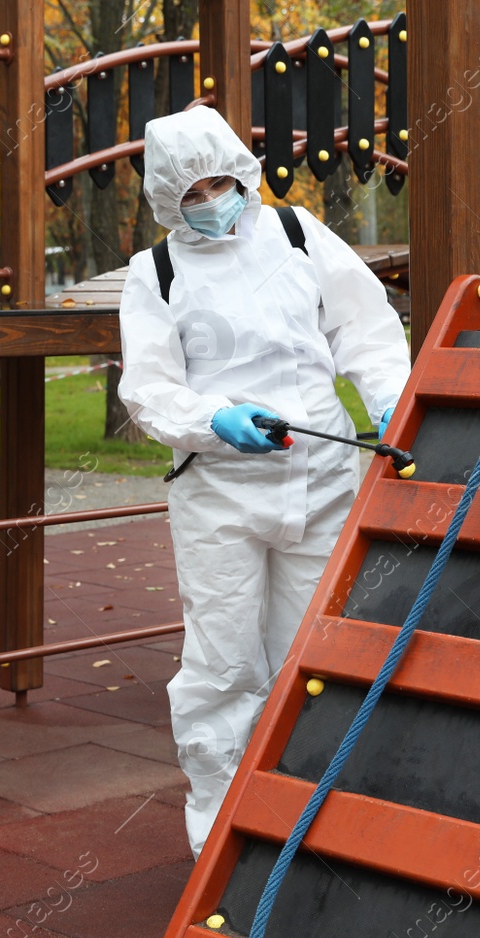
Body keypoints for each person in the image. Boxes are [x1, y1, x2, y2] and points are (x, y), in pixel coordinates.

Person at [118, 107, 410, 857]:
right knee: (222, 666)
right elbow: (148, 388)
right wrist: (215, 417)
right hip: (220, 496)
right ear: (167, 200)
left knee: (313, 657)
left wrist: (391, 398)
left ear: (243, 173)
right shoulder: (157, 274)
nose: (212, 199)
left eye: (221, 181)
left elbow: (364, 327)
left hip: (321, 481)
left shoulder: (297, 234)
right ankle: (221, 842)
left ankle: (312, 827)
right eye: (194, 192)